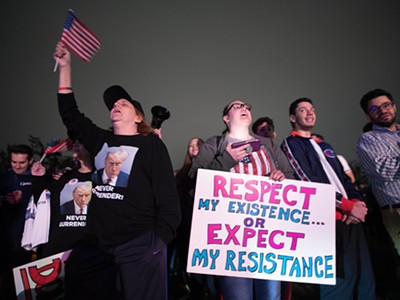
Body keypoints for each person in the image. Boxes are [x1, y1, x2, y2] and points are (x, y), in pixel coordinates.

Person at [54, 42, 181, 299]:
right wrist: (65, 68)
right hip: (99, 245)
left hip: (140, 242)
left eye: (123, 103)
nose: (116, 105)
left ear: (137, 117)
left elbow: (167, 196)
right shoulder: (101, 141)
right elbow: (70, 114)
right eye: (113, 104)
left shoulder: (151, 145)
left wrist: (158, 241)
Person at [189, 100, 294, 300]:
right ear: (226, 118)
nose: (244, 108)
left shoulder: (268, 144)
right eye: (237, 106)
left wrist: (282, 177)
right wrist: (226, 160)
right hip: (231, 237)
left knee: (270, 297)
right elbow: (195, 176)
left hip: (268, 235)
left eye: (246, 106)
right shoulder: (215, 143)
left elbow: (291, 177)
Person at [281, 97, 375, 299]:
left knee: (364, 278)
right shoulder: (291, 143)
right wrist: (348, 206)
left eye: (312, 109)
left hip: (352, 217)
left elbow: (344, 180)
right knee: (338, 283)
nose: (309, 112)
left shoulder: (325, 146)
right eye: (303, 110)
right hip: (328, 220)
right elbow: (307, 180)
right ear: (292, 117)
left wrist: (358, 203)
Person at [357, 88, 400, 256]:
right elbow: (385, 170)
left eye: (386, 105)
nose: (383, 110)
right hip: (396, 209)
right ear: (368, 116)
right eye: (375, 109)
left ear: (394, 107)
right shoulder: (368, 140)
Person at [0, 144, 34, 299]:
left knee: (18, 278)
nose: (17, 166)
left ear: (30, 161)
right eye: (14, 162)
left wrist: (23, 196)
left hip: (22, 237)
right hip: (4, 234)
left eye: (22, 163)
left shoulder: (36, 179)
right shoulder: (4, 178)